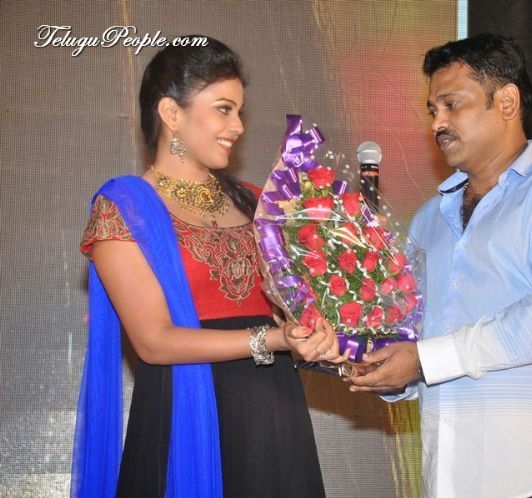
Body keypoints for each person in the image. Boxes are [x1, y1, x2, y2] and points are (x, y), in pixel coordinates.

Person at [348, 33, 532, 497]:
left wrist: (426, 360)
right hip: (452, 481)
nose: (437, 123)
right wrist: (375, 362)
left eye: (451, 105)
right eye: (432, 111)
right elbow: (414, 341)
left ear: (507, 102)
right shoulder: (427, 221)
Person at [71, 36, 346, 498]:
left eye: (239, 112)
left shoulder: (258, 202)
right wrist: (272, 339)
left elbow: (291, 312)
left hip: (274, 414)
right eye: (223, 109)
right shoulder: (124, 209)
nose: (237, 126)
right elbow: (154, 341)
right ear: (171, 113)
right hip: (185, 418)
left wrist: (315, 331)